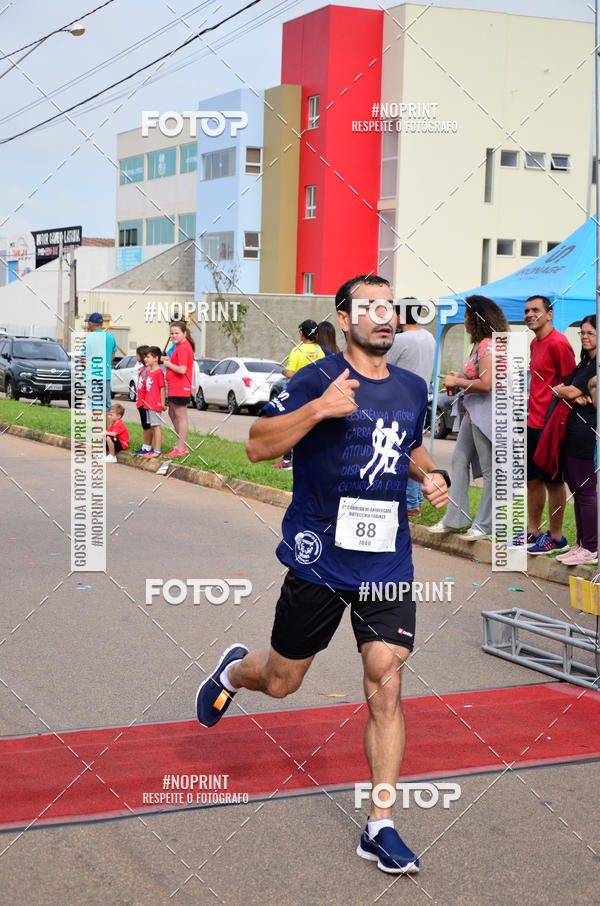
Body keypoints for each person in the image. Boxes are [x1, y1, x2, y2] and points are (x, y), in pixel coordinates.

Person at [195, 274, 450, 875]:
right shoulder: (313, 379)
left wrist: (429, 474)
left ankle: (380, 825)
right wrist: (320, 408)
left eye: (390, 306)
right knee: (283, 682)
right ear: (344, 316)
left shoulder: (413, 387)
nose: (384, 316)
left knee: (385, 677)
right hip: (320, 558)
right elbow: (258, 445)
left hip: (387, 560)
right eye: (370, 307)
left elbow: (406, 444)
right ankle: (235, 668)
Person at [428, 295, 508, 541]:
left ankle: (485, 524)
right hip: (473, 411)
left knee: (489, 470)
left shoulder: (487, 345)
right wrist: (459, 379)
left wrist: (457, 381)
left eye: (466, 316)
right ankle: (456, 518)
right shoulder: (479, 345)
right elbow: (477, 379)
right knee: (459, 460)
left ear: (477, 319)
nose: (463, 321)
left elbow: (487, 384)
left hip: (487, 413)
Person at [520, 295, 576, 555]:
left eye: (536, 310)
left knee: (554, 482)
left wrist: (558, 424)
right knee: (532, 480)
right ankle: (534, 532)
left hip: (552, 424)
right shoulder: (534, 343)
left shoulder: (559, 343)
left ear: (549, 314)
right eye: (527, 310)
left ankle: (556, 537)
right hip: (533, 422)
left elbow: (571, 385)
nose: (530, 314)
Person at [547, 316, 597, 565]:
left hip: (586, 434)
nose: (585, 337)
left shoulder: (595, 366)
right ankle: (581, 543)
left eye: (590, 333)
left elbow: (568, 389)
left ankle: (591, 546)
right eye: (582, 333)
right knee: (576, 489)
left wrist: (568, 392)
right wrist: (568, 392)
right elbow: (562, 389)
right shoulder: (584, 363)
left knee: (585, 491)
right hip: (572, 430)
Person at [387, 300, 436, 516]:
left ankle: (408, 503)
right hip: (421, 398)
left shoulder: (399, 340)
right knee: (415, 447)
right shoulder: (429, 337)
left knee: (400, 450)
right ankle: (415, 501)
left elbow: (383, 366)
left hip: (399, 400)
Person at [272, 319, 326, 470]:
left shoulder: (297, 350)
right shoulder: (320, 351)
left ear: (302, 333)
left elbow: (290, 373)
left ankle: (287, 460)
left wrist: (284, 371)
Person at [161, 320, 194, 457]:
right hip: (174, 386)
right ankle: (181, 444)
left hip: (181, 386)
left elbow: (182, 369)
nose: (174, 336)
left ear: (184, 333)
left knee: (181, 416)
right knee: (172, 414)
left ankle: (181, 449)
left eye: (177, 333)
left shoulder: (183, 347)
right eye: (172, 333)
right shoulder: (178, 347)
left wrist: (167, 364)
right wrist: (168, 359)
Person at [82, 312, 117, 411]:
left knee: (94, 405)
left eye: (89, 323)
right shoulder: (110, 337)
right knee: (106, 407)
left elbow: (83, 359)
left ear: (92, 323)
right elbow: (112, 355)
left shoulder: (88, 338)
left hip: (91, 376)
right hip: (105, 375)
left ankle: (96, 426)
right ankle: (107, 426)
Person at [142, 346, 167, 458]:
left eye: (148, 357)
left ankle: (158, 451)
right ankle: (153, 449)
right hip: (148, 403)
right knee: (152, 426)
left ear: (156, 358)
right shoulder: (150, 371)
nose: (146, 359)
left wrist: (162, 403)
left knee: (156, 426)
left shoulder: (158, 372)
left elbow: (162, 388)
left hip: (155, 404)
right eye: (145, 357)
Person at [132, 345, 152, 454]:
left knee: (147, 425)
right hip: (140, 401)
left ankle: (148, 447)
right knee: (144, 425)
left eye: (137, 354)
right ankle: (144, 446)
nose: (136, 356)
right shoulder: (142, 369)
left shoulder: (148, 370)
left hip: (146, 402)